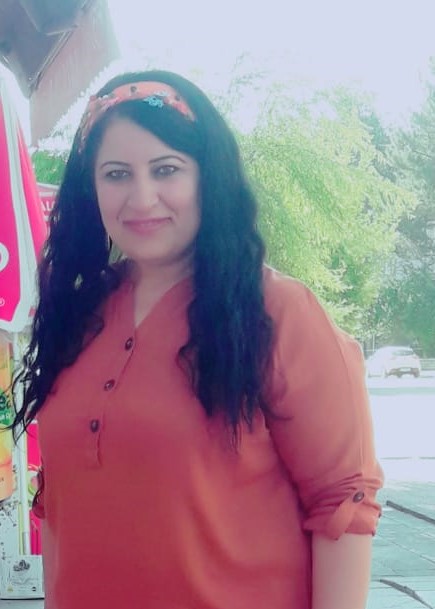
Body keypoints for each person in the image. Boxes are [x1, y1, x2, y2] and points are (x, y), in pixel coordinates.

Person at [12, 69, 383, 609]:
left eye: (166, 169)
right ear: (91, 189)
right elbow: (60, 509)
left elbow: (343, 505)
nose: (142, 198)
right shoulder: (76, 313)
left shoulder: (277, 312)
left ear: (208, 176)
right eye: (116, 174)